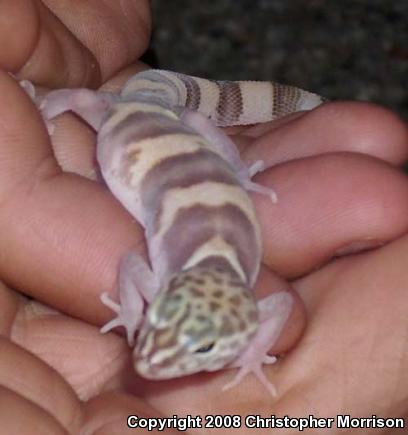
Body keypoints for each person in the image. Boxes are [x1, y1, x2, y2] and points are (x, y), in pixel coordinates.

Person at [1, 0, 407, 432]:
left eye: (199, 346)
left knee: (174, 112)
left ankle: (303, 107)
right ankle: (50, 105)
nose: (149, 358)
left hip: (164, 131)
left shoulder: (234, 297)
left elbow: (274, 304)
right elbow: (276, 304)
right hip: (136, 124)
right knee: (87, 103)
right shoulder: (208, 289)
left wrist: (241, 348)